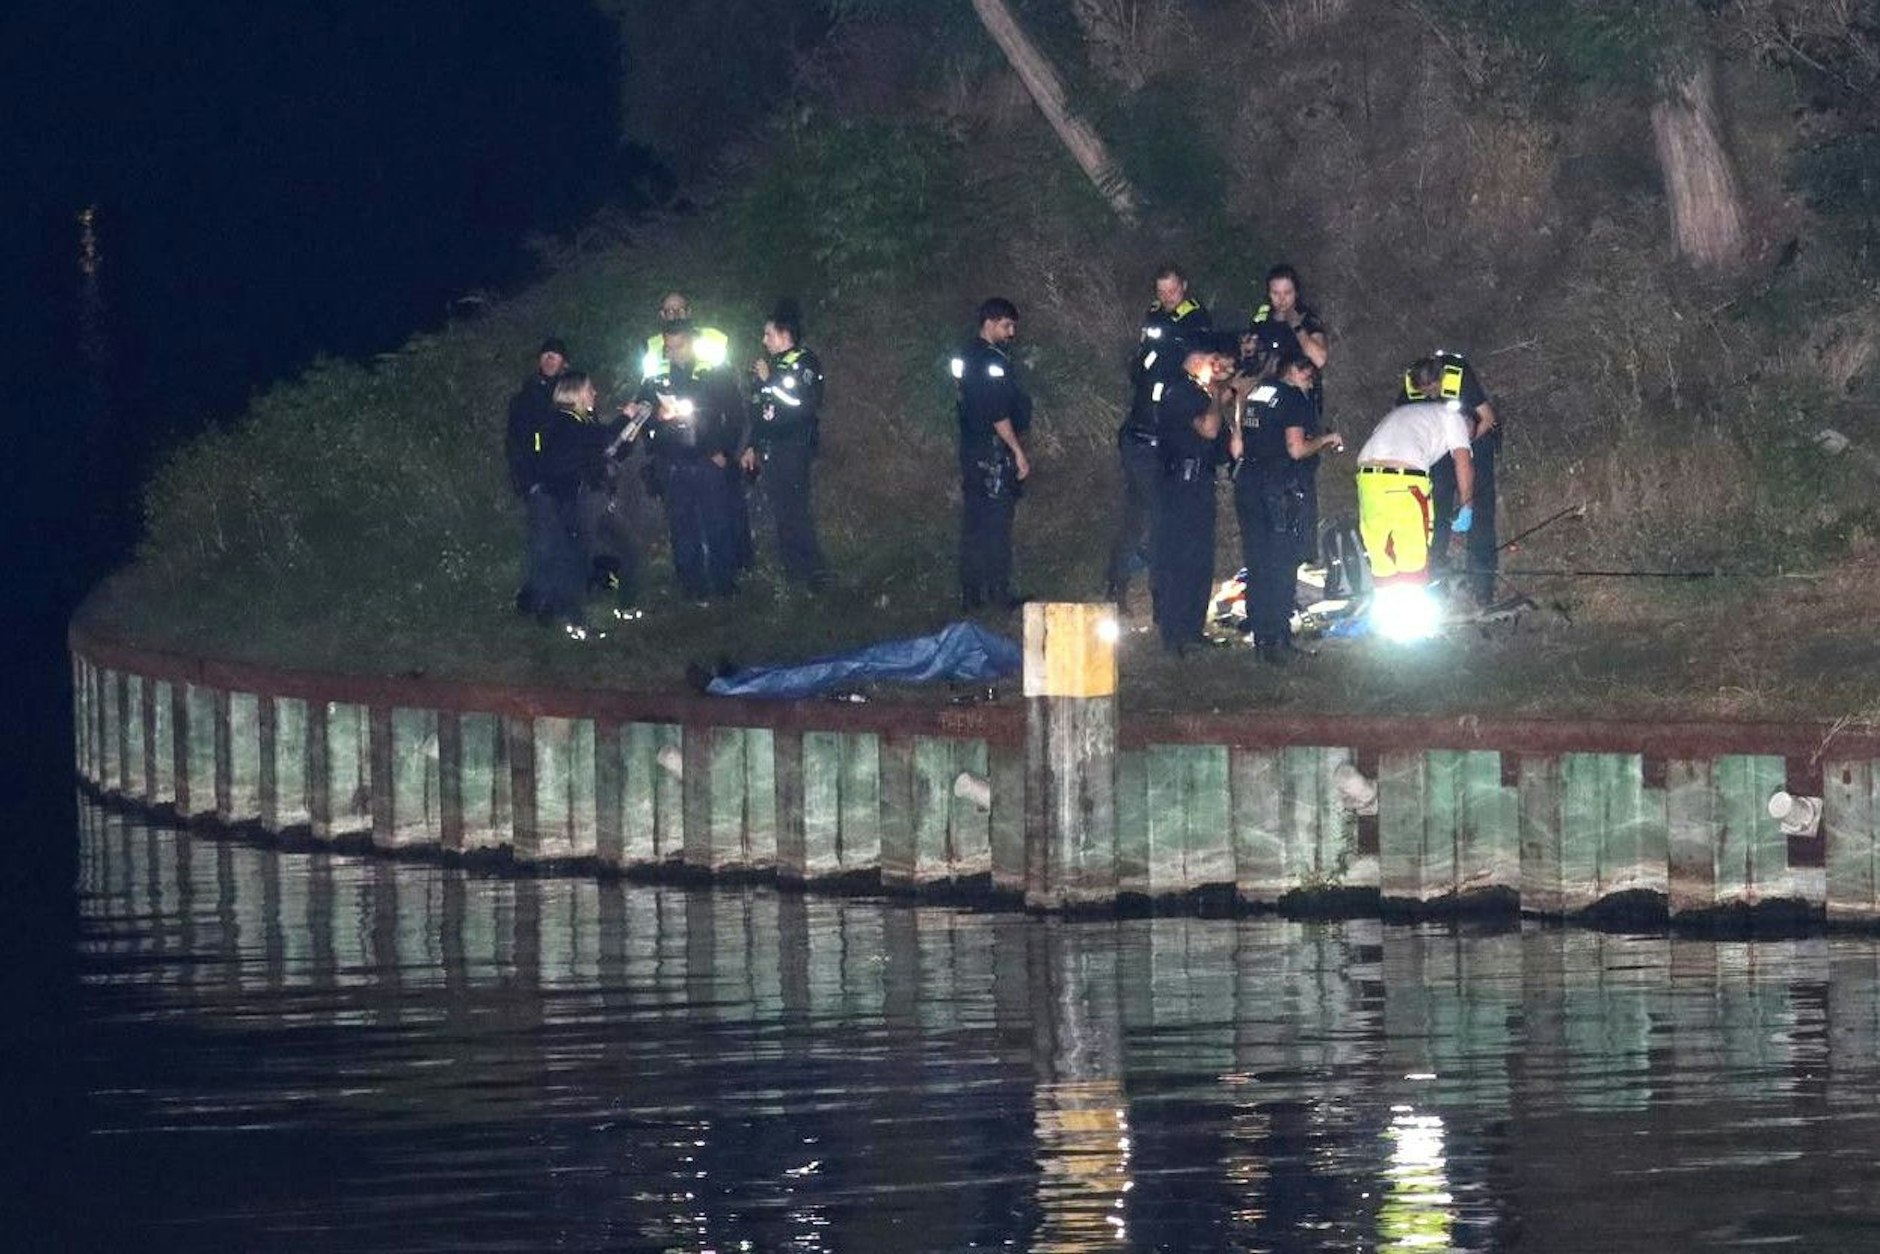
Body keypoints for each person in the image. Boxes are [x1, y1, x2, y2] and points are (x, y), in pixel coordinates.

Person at [1106, 263, 1213, 605]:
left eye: (1172, 290)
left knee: (1159, 514)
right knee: (1143, 512)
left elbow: (1195, 369)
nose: (1167, 297)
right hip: (1140, 432)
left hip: (1167, 433)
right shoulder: (1153, 314)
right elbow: (1141, 365)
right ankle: (1123, 585)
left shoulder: (1195, 320)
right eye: (1161, 291)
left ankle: (1158, 592)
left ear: (1184, 286)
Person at [1229, 352, 1345, 663]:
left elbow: (1238, 443)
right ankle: (1278, 640)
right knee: (1282, 562)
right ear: (1292, 370)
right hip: (1278, 487)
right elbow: (1296, 449)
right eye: (1307, 373)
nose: (1311, 380)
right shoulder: (1293, 398)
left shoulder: (1257, 393)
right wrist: (1326, 439)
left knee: (1258, 562)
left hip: (1248, 482)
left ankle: (1261, 638)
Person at [631, 321, 744, 602]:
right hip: (672, 460)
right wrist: (657, 417)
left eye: (678, 346)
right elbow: (643, 413)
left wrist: (725, 451)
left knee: (717, 521)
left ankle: (725, 583)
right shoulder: (657, 375)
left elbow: (736, 414)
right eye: (668, 348)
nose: (672, 353)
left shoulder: (712, 372)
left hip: (708, 459)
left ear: (691, 343)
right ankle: (692, 586)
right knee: (682, 525)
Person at [527, 372, 634, 638]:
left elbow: (604, 451)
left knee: (577, 555)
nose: (594, 394)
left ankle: (563, 614)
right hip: (559, 501)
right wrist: (626, 417)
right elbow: (601, 438)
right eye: (589, 389)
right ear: (575, 393)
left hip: (574, 499)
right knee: (570, 558)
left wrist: (628, 433)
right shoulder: (564, 422)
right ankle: (572, 621)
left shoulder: (578, 421)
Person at [1355, 358, 1475, 588]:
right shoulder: (1455, 418)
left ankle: (1386, 605)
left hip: (1368, 479)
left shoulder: (1407, 412)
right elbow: (1463, 463)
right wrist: (1467, 505)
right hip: (1405, 481)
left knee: (1382, 555)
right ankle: (1412, 606)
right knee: (1413, 557)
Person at [1395, 349, 1500, 604]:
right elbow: (1403, 426)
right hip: (1439, 450)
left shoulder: (1459, 375)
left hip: (1475, 441)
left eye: (1433, 388)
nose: (1431, 395)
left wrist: (1461, 445)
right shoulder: (1410, 388)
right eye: (1425, 391)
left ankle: (1482, 586)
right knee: (1435, 515)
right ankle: (1434, 583)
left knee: (1479, 512)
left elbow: (1488, 418)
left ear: (1440, 377)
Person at [952, 297, 1033, 612]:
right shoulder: (990, 361)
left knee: (975, 522)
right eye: (1006, 325)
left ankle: (971, 594)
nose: (1011, 332)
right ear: (989, 323)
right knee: (997, 524)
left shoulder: (966, 355)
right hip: (993, 451)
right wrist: (1017, 451)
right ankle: (999, 594)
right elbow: (998, 413)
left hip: (971, 449)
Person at [741, 299, 826, 589]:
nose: (763, 341)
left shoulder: (805, 362)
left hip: (795, 446)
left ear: (784, 334)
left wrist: (770, 381)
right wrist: (751, 445)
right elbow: (759, 411)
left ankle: (814, 573)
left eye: (768, 334)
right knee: (781, 511)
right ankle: (793, 574)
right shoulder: (771, 367)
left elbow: (801, 404)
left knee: (796, 509)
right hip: (772, 449)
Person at [1151, 344, 1230, 655]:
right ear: (1196, 360)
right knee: (1179, 559)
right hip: (1180, 487)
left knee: (1200, 560)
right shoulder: (1181, 392)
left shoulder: (1199, 392)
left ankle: (1193, 629)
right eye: (1214, 360)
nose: (1218, 366)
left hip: (1200, 483)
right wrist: (1216, 394)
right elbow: (1209, 429)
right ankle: (1174, 634)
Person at [506, 337, 568, 617]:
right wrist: (526, 481)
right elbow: (514, 445)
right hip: (539, 482)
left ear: (564, 363)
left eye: (555, 356)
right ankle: (536, 599)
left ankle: (555, 598)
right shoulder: (525, 398)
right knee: (542, 541)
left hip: (567, 481)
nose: (549, 360)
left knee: (563, 540)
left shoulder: (571, 394)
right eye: (545, 356)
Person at [640, 290, 731, 378]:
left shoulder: (713, 339)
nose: (675, 316)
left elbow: (730, 377)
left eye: (681, 311)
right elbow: (645, 384)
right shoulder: (651, 349)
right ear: (662, 314)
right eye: (670, 312)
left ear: (688, 312)